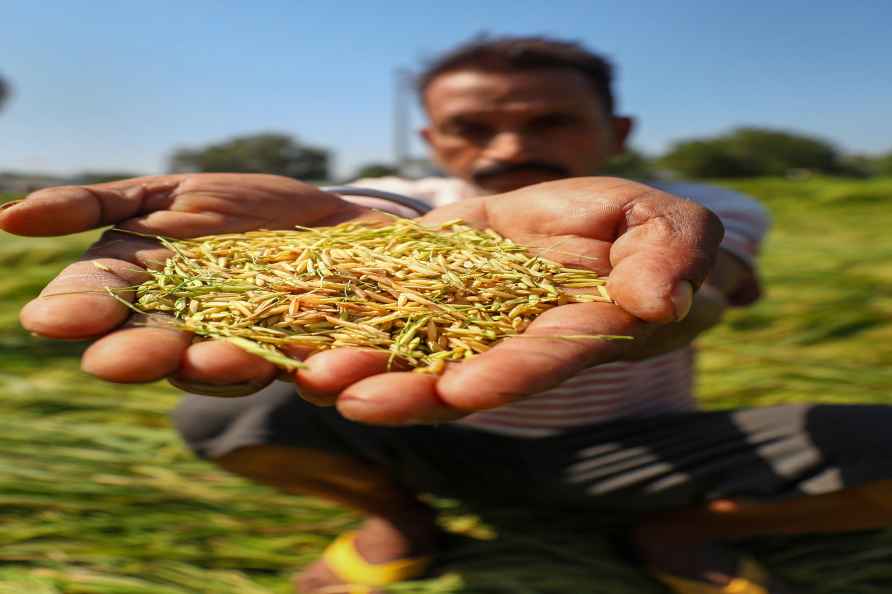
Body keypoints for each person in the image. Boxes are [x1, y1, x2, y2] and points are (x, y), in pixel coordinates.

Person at [4, 36, 892, 594]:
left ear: (616, 130)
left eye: (551, 122)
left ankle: (681, 527)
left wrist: (673, 302)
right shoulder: (400, 208)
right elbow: (359, 205)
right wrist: (344, 224)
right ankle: (403, 517)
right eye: (472, 129)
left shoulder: (691, 203)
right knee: (213, 410)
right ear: (434, 140)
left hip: (633, 452)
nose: (510, 148)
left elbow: (700, 294)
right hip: (422, 442)